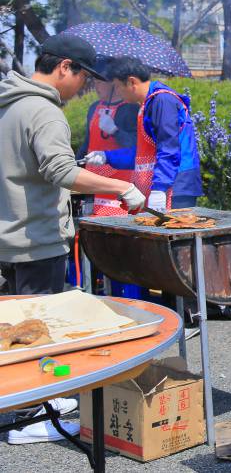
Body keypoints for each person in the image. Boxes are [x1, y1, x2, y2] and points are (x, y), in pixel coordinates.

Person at [0, 34, 146, 444]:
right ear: (64, 66)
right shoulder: (44, 111)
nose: (83, 87)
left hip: (4, 238)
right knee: (35, 332)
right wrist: (120, 189)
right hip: (35, 241)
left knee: (7, 331)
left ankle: (15, 402)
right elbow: (60, 170)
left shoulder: (7, 103)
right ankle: (28, 420)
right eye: (82, 77)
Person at [85, 56, 202, 211]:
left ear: (132, 82)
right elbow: (142, 154)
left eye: (119, 86)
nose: (118, 92)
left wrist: (159, 189)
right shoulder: (145, 104)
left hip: (176, 185)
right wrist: (107, 157)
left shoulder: (162, 100)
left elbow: (169, 149)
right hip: (161, 182)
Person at [76, 59, 139, 216]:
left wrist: (115, 130)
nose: (96, 86)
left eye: (100, 82)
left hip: (117, 182)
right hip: (92, 179)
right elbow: (87, 143)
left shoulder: (130, 108)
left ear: (113, 83)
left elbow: (134, 146)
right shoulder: (94, 108)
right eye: (94, 81)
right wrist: (74, 166)